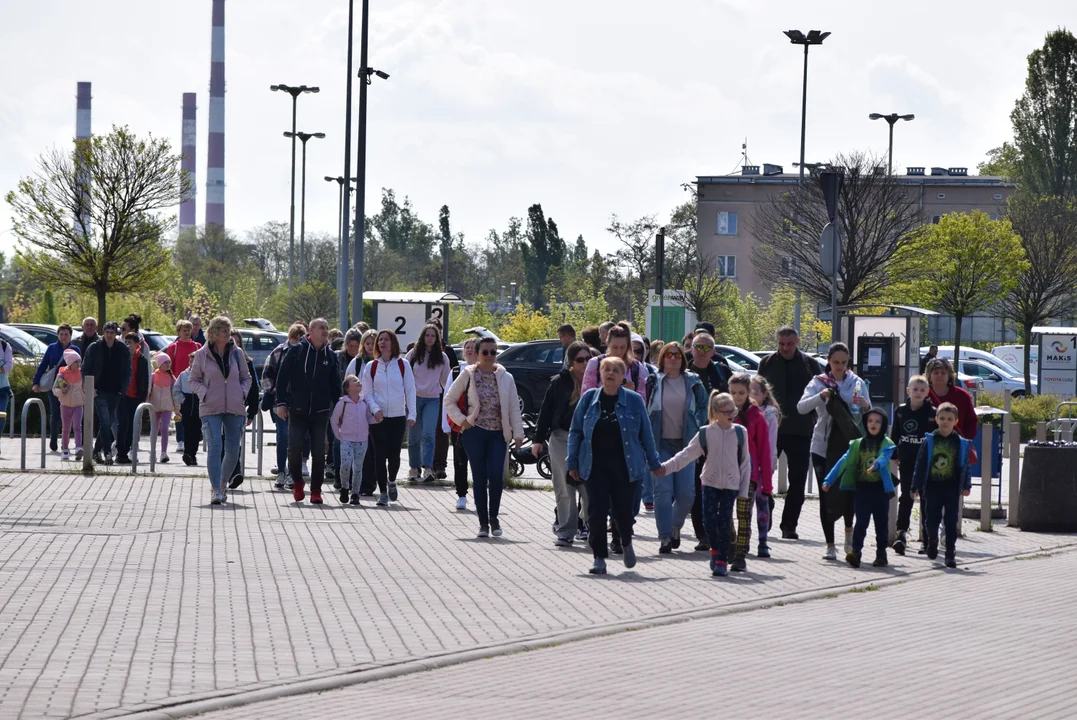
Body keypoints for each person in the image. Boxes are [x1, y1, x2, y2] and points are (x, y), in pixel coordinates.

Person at [567, 357, 661, 575]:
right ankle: (599, 557)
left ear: (623, 376)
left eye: (615, 371)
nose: (610, 374)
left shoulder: (634, 400)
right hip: (594, 466)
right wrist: (571, 462)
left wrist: (654, 463)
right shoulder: (589, 398)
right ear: (600, 374)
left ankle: (626, 541)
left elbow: (646, 434)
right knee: (596, 512)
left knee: (622, 513)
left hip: (626, 467)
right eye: (606, 370)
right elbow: (576, 431)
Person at [655, 392, 750, 577]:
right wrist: (664, 468)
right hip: (709, 483)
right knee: (708, 521)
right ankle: (715, 551)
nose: (731, 414)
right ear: (715, 412)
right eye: (726, 412)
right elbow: (687, 454)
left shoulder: (740, 432)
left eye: (733, 411)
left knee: (724, 521)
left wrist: (743, 491)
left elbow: (746, 463)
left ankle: (721, 559)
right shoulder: (705, 433)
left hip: (731, 485)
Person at [799, 342, 872, 560]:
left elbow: (868, 410)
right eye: (835, 362)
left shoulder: (857, 382)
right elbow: (801, 407)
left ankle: (848, 536)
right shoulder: (819, 382)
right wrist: (821, 396)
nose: (839, 366)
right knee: (826, 493)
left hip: (849, 446)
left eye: (843, 362)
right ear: (829, 361)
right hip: (822, 446)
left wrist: (865, 405)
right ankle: (830, 545)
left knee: (849, 492)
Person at [445, 336, 524, 537]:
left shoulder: (506, 377)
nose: (489, 356)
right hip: (475, 432)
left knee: (496, 476)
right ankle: (482, 523)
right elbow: (449, 400)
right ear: (477, 354)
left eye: (493, 352)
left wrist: (518, 433)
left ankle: (494, 518)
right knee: (479, 477)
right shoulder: (468, 374)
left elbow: (514, 407)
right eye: (485, 352)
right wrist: (462, 420)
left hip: (498, 433)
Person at [758, 326, 822, 540]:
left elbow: (819, 393)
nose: (785, 348)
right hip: (771, 430)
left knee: (798, 481)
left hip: (801, 430)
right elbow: (758, 394)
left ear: (797, 342)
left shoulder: (809, 364)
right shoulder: (766, 363)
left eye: (790, 344)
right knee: (763, 476)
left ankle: (789, 525)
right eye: (781, 344)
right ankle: (765, 513)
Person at [645, 341, 708, 555]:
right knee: (662, 492)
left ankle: (674, 526)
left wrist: (696, 421)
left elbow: (704, 407)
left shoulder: (692, 381)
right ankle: (665, 536)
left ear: (683, 359)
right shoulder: (654, 380)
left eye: (677, 355)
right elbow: (645, 407)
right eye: (669, 355)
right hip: (660, 442)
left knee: (687, 494)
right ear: (662, 358)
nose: (673, 358)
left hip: (686, 445)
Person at [275, 318, 342, 504]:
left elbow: (336, 385)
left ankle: (316, 490)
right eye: (322, 328)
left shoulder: (330, 356)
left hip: (320, 412)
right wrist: (280, 403)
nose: (326, 331)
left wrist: (341, 409)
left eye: (327, 328)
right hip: (297, 409)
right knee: (294, 449)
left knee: (319, 452)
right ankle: (297, 482)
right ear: (311, 331)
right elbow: (282, 378)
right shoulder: (296, 350)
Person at [534, 340, 592, 546]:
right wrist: (537, 440)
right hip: (561, 437)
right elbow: (546, 410)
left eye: (588, 359)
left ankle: (586, 523)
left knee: (588, 486)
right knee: (564, 486)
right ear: (571, 362)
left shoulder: (597, 380)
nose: (585, 363)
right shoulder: (560, 381)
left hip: (588, 440)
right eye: (580, 360)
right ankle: (566, 529)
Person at [823, 407, 897, 568]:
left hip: (880, 490)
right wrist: (829, 480)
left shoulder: (887, 443)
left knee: (881, 523)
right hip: (862, 489)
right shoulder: (857, 444)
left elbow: (885, 457)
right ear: (865, 423)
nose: (873, 424)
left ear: (883, 424)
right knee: (861, 522)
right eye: (870, 420)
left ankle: (881, 555)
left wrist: (877, 464)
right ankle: (856, 553)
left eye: (878, 421)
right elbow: (842, 461)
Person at [189, 316, 251, 505]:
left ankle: (223, 483)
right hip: (210, 407)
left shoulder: (237, 353)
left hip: (234, 407)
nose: (227, 333)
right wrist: (204, 393)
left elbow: (246, 378)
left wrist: (242, 393)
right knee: (215, 447)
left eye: (228, 329)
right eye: (223, 330)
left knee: (233, 450)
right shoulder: (201, 354)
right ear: (214, 333)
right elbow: (193, 380)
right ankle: (216, 489)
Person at [912, 402, 972, 569]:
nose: (946, 422)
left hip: (952, 487)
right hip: (932, 487)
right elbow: (920, 464)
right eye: (943, 418)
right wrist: (915, 486)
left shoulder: (960, 443)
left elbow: (965, 465)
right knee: (931, 519)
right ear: (937, 419)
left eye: (950, 419)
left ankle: (950, 553)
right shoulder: (930, 440)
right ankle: (932, 540)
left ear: (956, 421)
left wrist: (966, 485)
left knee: (951, 521)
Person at [686, 331, 733, 548]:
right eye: (698, 347)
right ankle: (703, 534)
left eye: (707, 348)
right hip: (693, 435)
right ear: (691, 348)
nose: (702, 352)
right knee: (697, 485)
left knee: (719, 484)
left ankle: (722, 530)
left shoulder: (721, 372)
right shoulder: (683, 370)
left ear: (713, 351)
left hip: (720, 434)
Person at [362, 329, 416, 506]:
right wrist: (375, 409)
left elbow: (410, 390)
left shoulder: (403, 365)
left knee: (394, 455)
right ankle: (383, 491)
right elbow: (367, 393)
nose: (382, 343)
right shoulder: (372, 366)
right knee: (379, 455)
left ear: (393, 344)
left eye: (386, 340)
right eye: (380, 340)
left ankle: (392, 480)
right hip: (378, 418)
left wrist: (412, 413)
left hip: (398, 416)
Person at [729, 372, 773, 571]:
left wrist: (767, 483)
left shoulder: (757, 416)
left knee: (744, 514)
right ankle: (730, 544)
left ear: (748, 392)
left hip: (749, 473)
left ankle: (740, 553)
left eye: (741, 393)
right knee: (725, 513)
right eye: (733, 392)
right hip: (726, 471)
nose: (737, 397)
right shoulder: (723, 412)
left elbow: (764, 449)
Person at [890, 375, 936, 556]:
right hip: (907, 459)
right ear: (908, 391)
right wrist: (894, 453)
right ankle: (901, 534)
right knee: (907, 496)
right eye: (915, 389)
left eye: (922, 390)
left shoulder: (932, 413)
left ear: (927, 392)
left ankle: (926, 539)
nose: (918, 393)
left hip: (926, 462)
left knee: (926, 498)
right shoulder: (901, 411)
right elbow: (895, 434)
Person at [405, 324, 451, 483]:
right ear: (422, 337)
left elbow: (446, 381)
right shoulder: (413, 353)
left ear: (437, 338)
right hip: (414, 398)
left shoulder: (443, 357)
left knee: (429, 434)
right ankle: (413, 468)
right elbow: (404, 373)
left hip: (433, 399)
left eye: (433, 335)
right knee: (414, 436)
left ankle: (428, 468)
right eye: (427, 335)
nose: (430, 338)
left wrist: (451, 399)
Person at [262, 323, 306, 488]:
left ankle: (292, 474)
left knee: (297, 440)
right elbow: (266, 376)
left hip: (300, 404)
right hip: (279, 403)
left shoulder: (305, 353)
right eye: (297, 339)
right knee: (283, 437)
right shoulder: (279, 352)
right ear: (291, 338)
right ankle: (281, 471)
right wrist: (277, 392)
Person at [84, 322, 131, 464]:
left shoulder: (122, 349)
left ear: (115, 334)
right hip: (99, 391)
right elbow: (86, 368)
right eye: (107, 332)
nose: (109, 335)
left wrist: (122, 390)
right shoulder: (94, 348)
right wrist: (89, 387)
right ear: (103, 333)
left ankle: (95, 451)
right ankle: (108, 453)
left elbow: (127, 371)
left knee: (108, 422)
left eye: (112, 332)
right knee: (104, 421)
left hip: (115, 392)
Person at [33, 322, 79, 452]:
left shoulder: (75, 349)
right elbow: (43, 365)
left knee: (69, 415)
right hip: (56, 384)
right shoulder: (52, 348)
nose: (64, 336)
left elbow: (80, 368)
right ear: (58, 335)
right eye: (61, 334)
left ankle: (67, 442)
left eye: (66, 334)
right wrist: (36, 382)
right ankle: (53, 440)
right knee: (56, 414)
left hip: (72, 385)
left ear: (70, 335)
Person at [330, 374, 375, 505]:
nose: (358, 382)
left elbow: (368, 418)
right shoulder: (342, 403)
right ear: (348, 388)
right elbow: (334, 420)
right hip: (346, 439)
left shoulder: (365, 402)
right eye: (354, 381)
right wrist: (339, 435)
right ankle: (345, 487)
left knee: (358, 467)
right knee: (345, 464)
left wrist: (377, 419)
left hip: (362, 440)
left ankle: (355, 493)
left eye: (358, 380)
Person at [750, 373, 781, 554]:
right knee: (745, 505)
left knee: (762, 502)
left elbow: (770, 442)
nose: (751, 395)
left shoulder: (769, 413)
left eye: (755, 391)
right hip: (746, 465)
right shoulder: (741, 411)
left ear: (764, 394)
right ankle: (743, 541)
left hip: (763, 465)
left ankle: (763, 541)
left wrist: (767, 465)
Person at [582, 323, 649, 404]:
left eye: (622, 347)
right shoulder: (595, 363)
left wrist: (632, 393)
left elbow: (642, 403)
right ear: (607, 343)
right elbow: (585, 398)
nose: (619, 351)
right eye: (615, 347)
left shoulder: (636, 367)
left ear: (628, 345)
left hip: (627, 416)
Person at [226, 328, 260, 489]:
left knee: (234, 443)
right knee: (220, 442)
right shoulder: (214, 358)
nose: (235, 345)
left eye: (238, 342)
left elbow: (253, 388)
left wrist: (252, 412)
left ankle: (235, 473)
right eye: (231, 341)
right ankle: (224, 474)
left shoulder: (246, 362)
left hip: (237, 408)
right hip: (217, 408)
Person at [448, 338, 478, 509]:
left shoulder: (485, 372)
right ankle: (461, 494)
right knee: (460, 459)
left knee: (478, 460)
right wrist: (449, 423)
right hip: (459, 422)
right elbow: (448, 397)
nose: (470, 350)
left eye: (473, 347)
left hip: (479, 422)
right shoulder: (455, 371)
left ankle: (480, 492)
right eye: (467, 347)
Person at [113, 332, 149, 465]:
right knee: (122, 424)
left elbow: (144, 379)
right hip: (123, 396)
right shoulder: (121, 358)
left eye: (130, 343)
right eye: (126, 342)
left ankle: (126, 450)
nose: (128, 345)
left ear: (137, 345)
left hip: (135, 397)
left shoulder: (142, 360)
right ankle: (120, 452)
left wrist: (143, 396)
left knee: (131, 426)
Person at [926, 358, 978, 442]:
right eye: (936, 373)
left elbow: (971, 422)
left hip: (957, 445)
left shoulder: (962, 396)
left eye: (943, 373)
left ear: (949, 375)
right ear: (929, 375)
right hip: (929, 445)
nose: (939, 375)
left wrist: (965, 441)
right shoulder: (923, 395)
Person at [52, 348, 85, 461]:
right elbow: (54, 389)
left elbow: (85, 388)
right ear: (70, 363)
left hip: (78, 404)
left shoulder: (81, 373)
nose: (78, 364)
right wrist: (62, 391)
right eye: (76, 362)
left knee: (77, 426)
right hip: (65, 404)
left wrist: (85, 395)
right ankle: (65, 448)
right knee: (66, 428)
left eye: (79, 361)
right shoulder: (62, 374)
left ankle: (78, 447)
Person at [172, 356, 201, 467]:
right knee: (188, 430)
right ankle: (188, 454)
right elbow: (176, 390)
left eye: (195, 361)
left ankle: (193, 453)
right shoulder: (183, 375)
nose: (192, 364)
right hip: (187, 405)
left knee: (197, 431)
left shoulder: (203, 375)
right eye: (190, 361)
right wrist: (183, 400)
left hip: (200, 405)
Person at [148, 352, 175, 463]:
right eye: (165, 362)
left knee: (164, 428)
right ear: (159, 364)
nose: (168, 364)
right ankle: (153, 451)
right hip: (154, 407)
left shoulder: (172, 378)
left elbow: (175, 394)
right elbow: (148, 391)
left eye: (169, 362)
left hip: (167, 407)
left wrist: (176, 407)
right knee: (154, 429)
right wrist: (146, 402)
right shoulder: (153, 376)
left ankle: (163, 452)